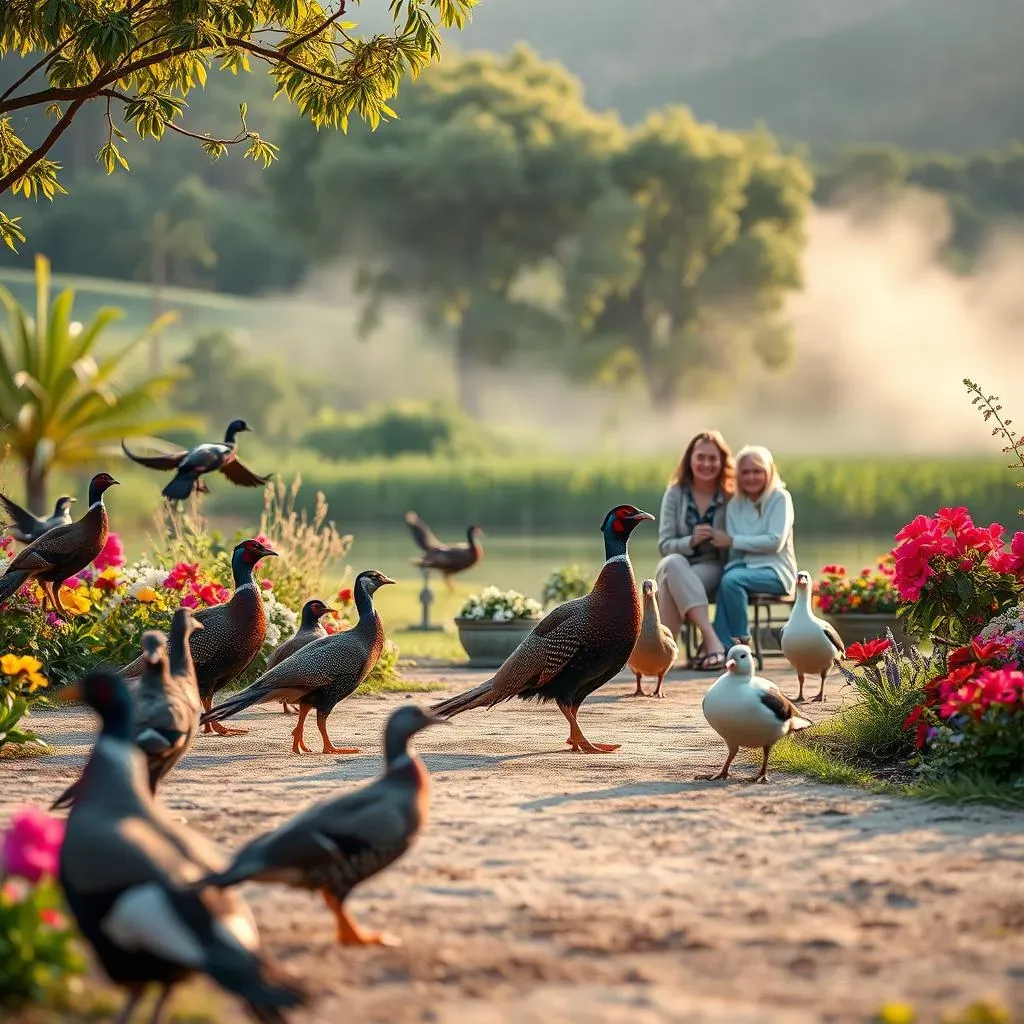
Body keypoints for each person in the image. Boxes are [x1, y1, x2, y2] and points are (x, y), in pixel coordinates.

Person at [655, 430, 734, 672]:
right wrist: (690, 540)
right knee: (672, 565)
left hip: (713, 567)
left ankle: (660, 654)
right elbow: (665, 544)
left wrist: (723, 539)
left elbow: (736, 539)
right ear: (690, 459)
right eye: (701, 457)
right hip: (678, 562)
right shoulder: (675, 493)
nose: (706, 464)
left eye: (713, 458)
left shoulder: (730, 495)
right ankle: (712, 641)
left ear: (722, 462)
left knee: (670, 576)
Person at [712, 444, 797, 648]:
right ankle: (721, 646)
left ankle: (741, 641)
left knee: (731, 581)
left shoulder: (780, 498)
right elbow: (737, 552)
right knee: (726, 580)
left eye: (757, 471)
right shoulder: (734, 505)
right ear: (738, 476)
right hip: (745, 569)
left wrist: (732, 540)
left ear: (769, 471)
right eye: (745, 472)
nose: (751, 477)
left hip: (777, 571)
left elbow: (774, 542)